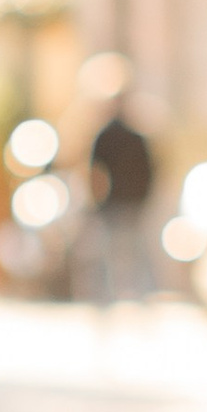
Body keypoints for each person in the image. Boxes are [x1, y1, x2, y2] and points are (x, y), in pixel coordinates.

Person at [84, 79, 158, 305]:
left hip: (119, 202)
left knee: (117, 252)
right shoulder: (134, 135)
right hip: (128, 202)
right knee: (131, 252)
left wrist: (96, 200)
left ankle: (114, 298)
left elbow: (94, 171)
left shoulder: (112, 135)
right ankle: (140, 296)